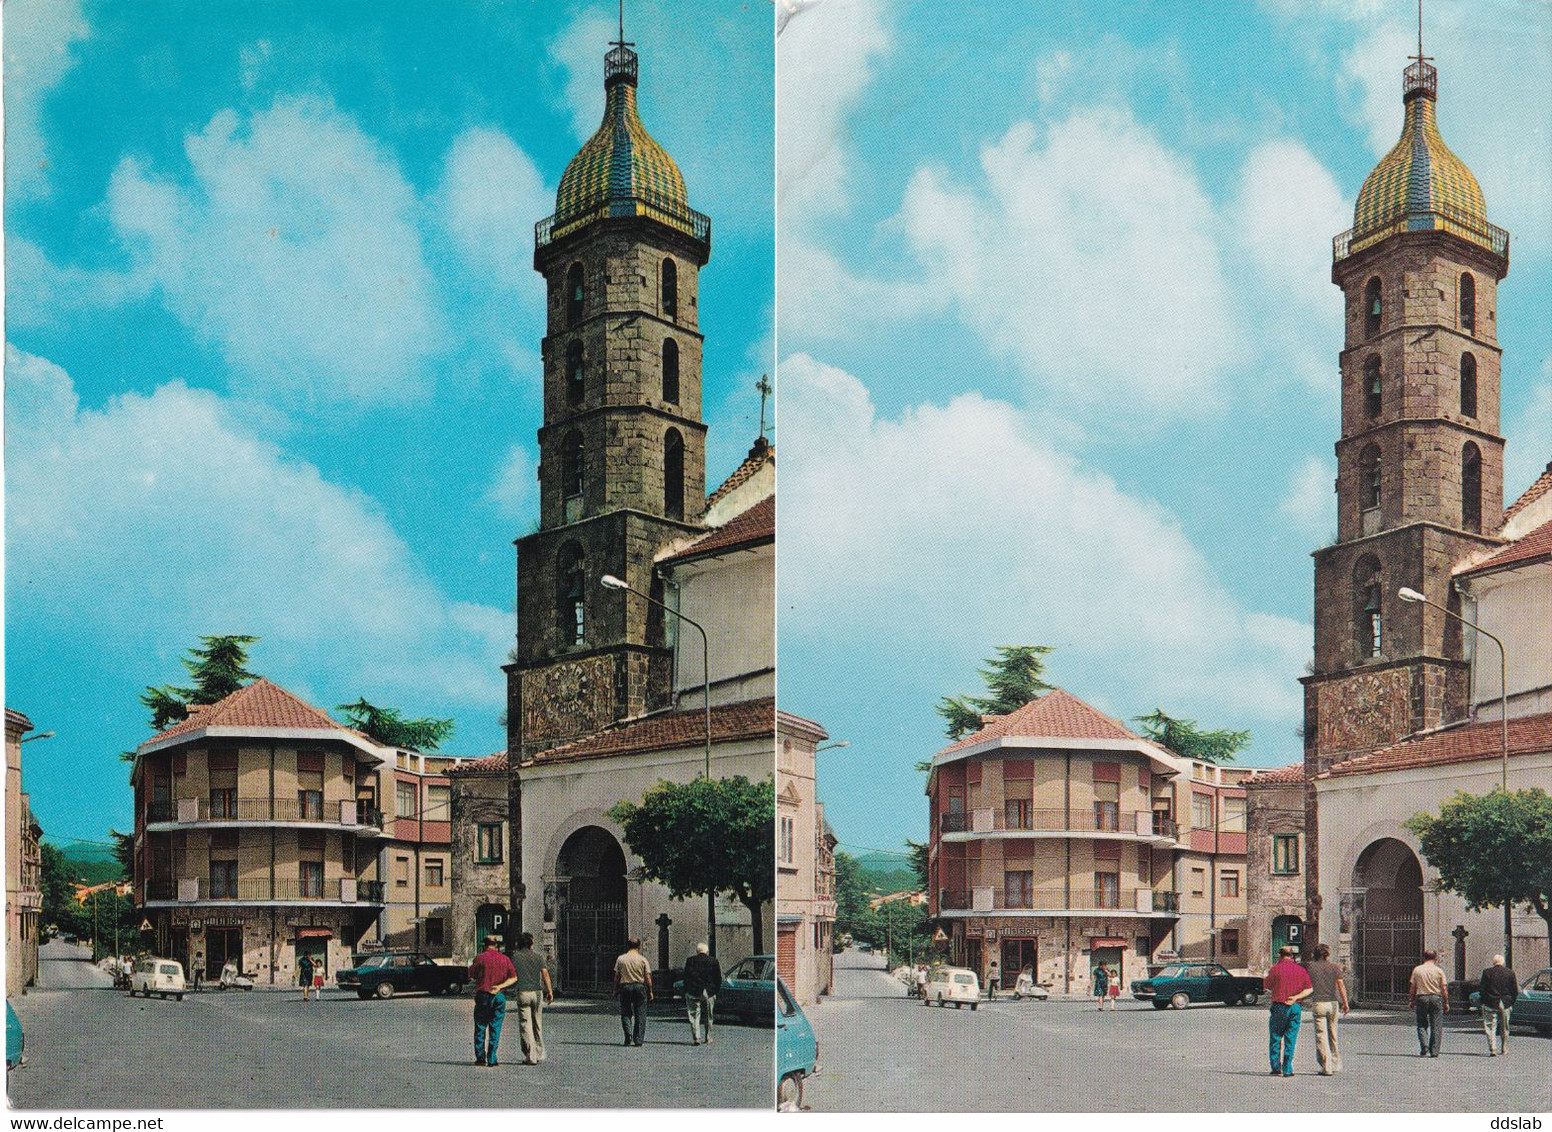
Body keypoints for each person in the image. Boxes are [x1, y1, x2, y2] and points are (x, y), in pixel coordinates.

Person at [468, 934, 518, 1067]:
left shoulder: (480, 958)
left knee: (480, 1026)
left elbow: (471, 975)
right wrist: (500, 986)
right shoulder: (505, 959)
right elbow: (513, 978)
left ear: (484, 945)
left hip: (483, 994)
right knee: (495, 1027)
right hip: (499, 995)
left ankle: (480, 1057)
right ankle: (492, 1058)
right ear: (496, 945)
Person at [1264, 945, 1313, 1077]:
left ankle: (1275, 1067)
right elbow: (1309, 989)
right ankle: (1287, 1068)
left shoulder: (1275, 969)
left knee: (1275, 1037)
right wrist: (1296, 997)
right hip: (1295, 1006)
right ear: (1292, 956)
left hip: (1279, 1005)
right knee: (1290, 1038)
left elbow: (1266, 985)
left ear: (1280, 955)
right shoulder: (1301, 970)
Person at [1305, 943, 1350, 1075]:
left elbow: (1306, 985)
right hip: (1332, 1003)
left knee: (1321, 1035)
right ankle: (1335, 1063)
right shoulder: (1335, 968)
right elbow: (1341, 986)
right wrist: (1345, 1003)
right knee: (1333, 1034)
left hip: (1318, 1003)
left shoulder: (1311, 967)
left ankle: (1326, 1066)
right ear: (1327, 955)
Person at [510, 932, 554, 1065]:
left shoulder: (515, 957)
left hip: (523, 992)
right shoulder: (538, 957)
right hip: (537, 992)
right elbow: (545, 974)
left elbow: (511, 974)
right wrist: (550, 991)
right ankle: (540, 1053)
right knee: (537, 1024)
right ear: (531, 944)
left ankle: (531, 1056)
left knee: (525, 1025)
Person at [1408, 948, 1449, 1058]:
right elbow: (1444, 988)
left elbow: (1413, 987)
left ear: (1424, 957)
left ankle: (1424, 1046)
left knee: (1421, 1023)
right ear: (1435, 958)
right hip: (1436, 997)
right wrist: (1446, 1002)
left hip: (1421, 997)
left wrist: (1411, 1000)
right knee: (1436, 1024)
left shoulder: (1417, 970)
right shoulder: (1439, 970)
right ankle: (1434, 1050)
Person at [613, 937, 653, 1047]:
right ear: (639, 946)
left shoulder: (621, 959)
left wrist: (615, 989)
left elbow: (617, 976)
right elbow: (647, 977)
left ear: (628, 946)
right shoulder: (643, 960)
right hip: (639, 987)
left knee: (625, 1012)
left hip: (625, 986)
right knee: (640, 1013)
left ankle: (628, 1034)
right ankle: (638, 1039)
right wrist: (650, 991)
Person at [1477, 953, 1518, 1057]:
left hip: (1490, 1002)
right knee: (1505, 1026)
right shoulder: (1510, 973)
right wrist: (1511, 1001)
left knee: (1490, 1026)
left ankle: (1493, 1048)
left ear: (1493, 962)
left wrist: (1483, 1000)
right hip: (1505, 1002)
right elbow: (1515, 990)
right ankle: (1504, 1047)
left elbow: (1482, 989)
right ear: (1503, 962)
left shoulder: (1487, 972)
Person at [681, 942, 721, 1046]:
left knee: (694, 1015)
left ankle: (696, 1037)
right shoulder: (713, 961)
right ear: (707, 951)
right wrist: (714, 991)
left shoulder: (690, 960)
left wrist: (686, 990)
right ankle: (708, 1036)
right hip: (709, 992)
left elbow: (686, 977)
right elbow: (718, 979)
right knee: (709, 1015)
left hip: (693, 991)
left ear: (697, 951)